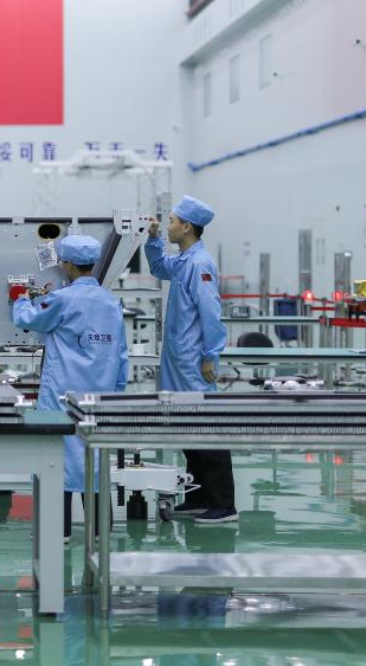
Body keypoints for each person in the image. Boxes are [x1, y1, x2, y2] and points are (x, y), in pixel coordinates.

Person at [11, 234, 128, 542]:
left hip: (62, 393)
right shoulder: (110, 301)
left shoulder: (62, 299)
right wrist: (118, 391)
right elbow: (122, 352)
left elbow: (30, 318)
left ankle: (59, 530)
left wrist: (22, 297)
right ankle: (101, 530)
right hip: (100, 395)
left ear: (66, 265)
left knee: (56, 459)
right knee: (95, 459)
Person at [144, 196, 237, 524]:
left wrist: (211, 355)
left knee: (206, 427)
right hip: (179, 360)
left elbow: (211, 313)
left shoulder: (199, 264)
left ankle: (224, 505)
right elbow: (158, 266)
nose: (167, 226)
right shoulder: (184, 261)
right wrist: (154, 237)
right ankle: (199, 496)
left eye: (170, 221)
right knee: (187, 424)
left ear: (186, 226)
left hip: (194, 361)